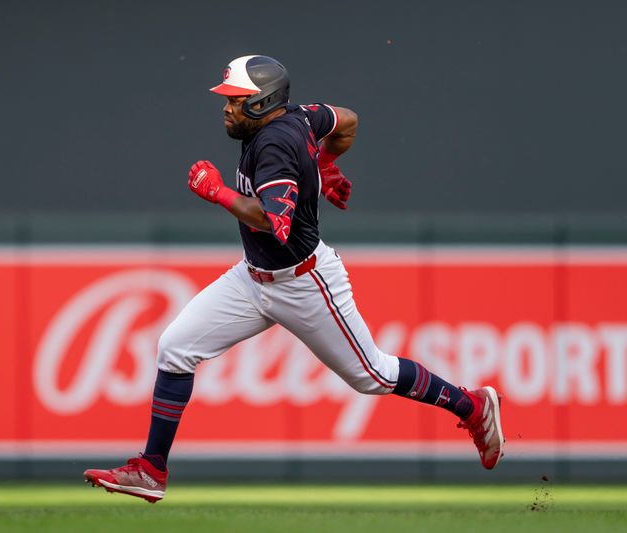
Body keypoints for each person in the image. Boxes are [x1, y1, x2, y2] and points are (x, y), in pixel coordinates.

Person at [84, 55, 504, 503]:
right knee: (175, 348)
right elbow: (348, 121)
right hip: (253, 278)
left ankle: (473, 406)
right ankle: (152, 470)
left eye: (236, 100)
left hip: (303, 282)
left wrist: (218, 191)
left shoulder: (274, 146)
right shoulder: (302, 116)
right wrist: (322, 166)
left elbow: (272, 222)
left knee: (372, 375)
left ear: (264, 103)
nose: (226, 108)